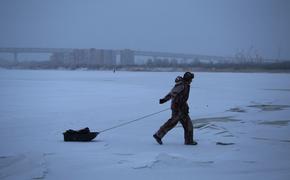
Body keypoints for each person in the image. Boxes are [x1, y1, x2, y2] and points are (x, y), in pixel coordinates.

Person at [153, 72, 197, 145]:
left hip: (182, 108)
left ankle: (189, 141)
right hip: (178, 108)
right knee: (173, 123)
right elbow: (172, 93)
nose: (191, 81)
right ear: (188, 79)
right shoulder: (181, 85)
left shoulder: (185, 85)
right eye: (191, 79)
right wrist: (164, 100)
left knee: (186, 125)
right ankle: (158, 135)